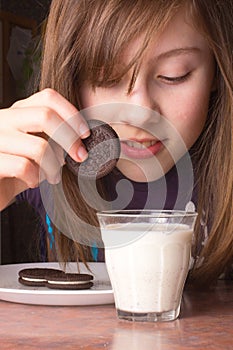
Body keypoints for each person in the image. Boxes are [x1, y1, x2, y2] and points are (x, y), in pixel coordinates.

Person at [0, 0, 232, 285]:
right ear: (71, 80)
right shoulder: (44, 164)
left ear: (217, 69)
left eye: (175, 74)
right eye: (107, 77)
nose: (140, 112)